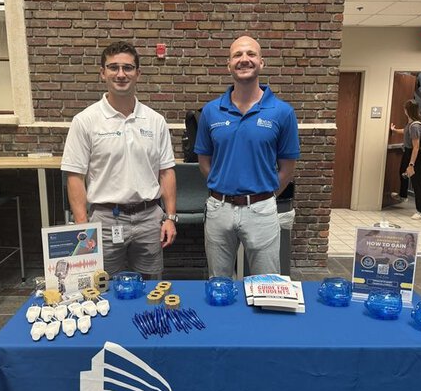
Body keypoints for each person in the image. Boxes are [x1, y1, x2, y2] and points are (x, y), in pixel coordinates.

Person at [61, 41, 177, 278]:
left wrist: (170, 217)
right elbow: (75, 177)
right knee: (103, 287)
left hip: (149, 219)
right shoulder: (85, 121)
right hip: (103, 221)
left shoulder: (155, 121)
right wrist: (84, 228)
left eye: (128, 68)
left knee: (150, 288)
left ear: (138, 74)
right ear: (103, 73)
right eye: (113, 68)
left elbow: (166, 172)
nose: (121, 74)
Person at [194, 35, 300, 277]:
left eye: (251, 54)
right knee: (219, 282)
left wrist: (265, 197)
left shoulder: (282, 112)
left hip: (261, 209)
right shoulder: (211, 111)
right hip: (219, 209)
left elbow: (287, 168)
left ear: (261, 62)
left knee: (268, 284)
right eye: (237, 55)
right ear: (229, 65)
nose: (244, 59)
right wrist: (223, 188)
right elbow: (204, 162)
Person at [390, 99, 421, 220]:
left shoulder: (415, 126)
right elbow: (405, 131)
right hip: (408, 152)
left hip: (414, 155)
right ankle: (403, 195)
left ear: (407, 110)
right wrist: (394, 130)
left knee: (416, 183)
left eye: (405, 108)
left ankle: (420, 211)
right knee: (402, 172)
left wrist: (411, 164)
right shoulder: (411, 123)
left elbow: (416, 147)